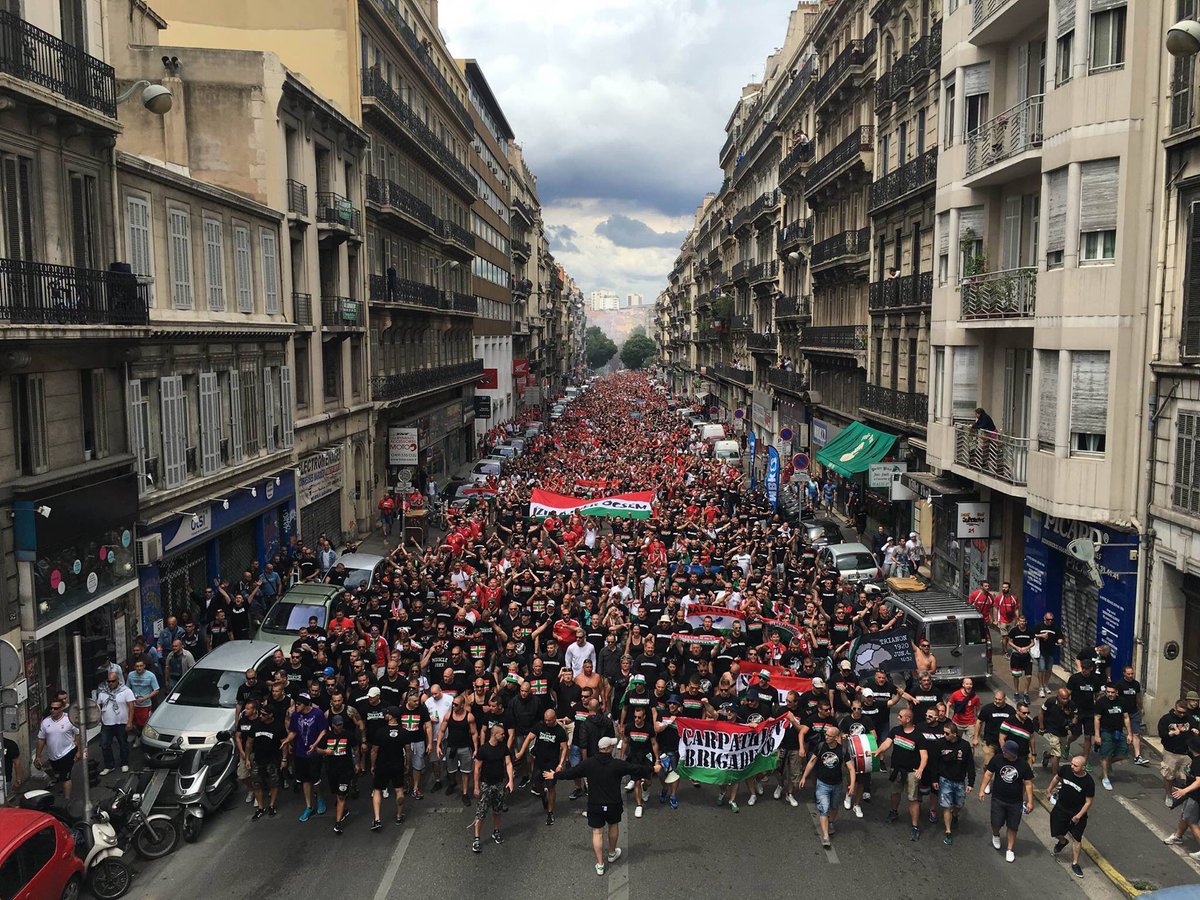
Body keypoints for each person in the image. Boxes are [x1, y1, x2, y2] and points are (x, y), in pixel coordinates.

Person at [550, 735, 659, 876]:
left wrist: (555, 776)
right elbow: (636, 768)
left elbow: (571, 773)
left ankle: (600, 864)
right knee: (613, 826)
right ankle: (612, 853)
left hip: (595, 805)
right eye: (612, 745)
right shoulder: (617, 764)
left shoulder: (588, 763)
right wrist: (653, 769)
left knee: (597, 832)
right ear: (608, 749)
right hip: (613, 804)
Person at [875, 707, 928, 840]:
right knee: (895, 793)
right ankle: (894, 812)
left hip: (911, 772)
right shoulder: (896, 730)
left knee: (913, 799)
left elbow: (924, 756)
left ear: (908, 719)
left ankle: (915, 826)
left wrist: (920, 770)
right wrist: (878, 751)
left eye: (900, 716)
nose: (898, 718)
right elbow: (887, 743)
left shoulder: (918, 736)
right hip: (896, 770)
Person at [978, 739, 1034, 863]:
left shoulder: (1023, 765)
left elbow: (1028, 784)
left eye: (1006, 751)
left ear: (1012, 753)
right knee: (996, 823)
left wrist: (1030, 801)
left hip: (1015, 802)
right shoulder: (997, 759)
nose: (1003, 752)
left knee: (1013, 826)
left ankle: (1010, 849)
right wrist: (982, 789)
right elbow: (988, 774)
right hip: (998, 798)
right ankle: (996, 834)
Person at [800, 726, 856, 849]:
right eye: (826, 735)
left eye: (829, 736)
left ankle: (830, 822)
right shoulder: (820, 747)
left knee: (834, 807)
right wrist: (804, 777)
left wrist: (852, 784)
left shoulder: (842, 751)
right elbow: (811, 762)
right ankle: (826, 836)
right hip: (822, 784)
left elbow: (851, 769)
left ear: (836, 738)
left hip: (837, 785)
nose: (826, 737)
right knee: (824, 809)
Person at [1047, 755, 1096, 878]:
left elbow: (1088, 802)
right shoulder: (1065, 769)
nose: (1072, 767)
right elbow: (1056, 778)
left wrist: (1079, 816)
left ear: (1083, 767)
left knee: (1077, 838)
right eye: (1072, 764)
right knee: (1055, 831)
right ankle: (1062, 841)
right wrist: (1049, 790)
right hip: (1061, 807)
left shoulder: (1088, 782)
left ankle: (1075, 863)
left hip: (1077, 813)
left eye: (1076, 765)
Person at [930, 719, 975, 845]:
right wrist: (934, 779)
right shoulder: (939, 744)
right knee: (947, 806)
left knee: (959, 804)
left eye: (947, 733)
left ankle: (955, 815)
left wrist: (971, 782)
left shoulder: (965, 746)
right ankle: (948, 831)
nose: (944, 735)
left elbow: (970, 765)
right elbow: (934, 763)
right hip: (945, 780)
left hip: (960, 781)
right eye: (943, 733)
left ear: (954, 734)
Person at [473, 724, 515, 854]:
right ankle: (477, 838)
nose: (504, 736)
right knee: (482, 812)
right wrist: (476, 786)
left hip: (499, 783)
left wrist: (510, 781)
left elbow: (508, 763)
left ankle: (496, 831)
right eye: (502, 734)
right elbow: (477, 769)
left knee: (497, 810)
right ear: (494, 734)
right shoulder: (483, 750)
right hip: (486, 784)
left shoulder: (503, 748)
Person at [288, 693, 329, 821]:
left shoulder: (317, 714)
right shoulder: (295, 715)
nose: (296, 706)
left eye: (298, 704)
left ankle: (320, 798)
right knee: (304, 779)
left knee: (315, 778)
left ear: (305, 704)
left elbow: (323, 730)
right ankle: (309, 806)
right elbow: (293, 731)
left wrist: (315, 744)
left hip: (314, 752)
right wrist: (287, 740)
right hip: (300, 752)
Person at [314, 714, 356, 834]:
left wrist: (357, 763)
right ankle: (344, 809)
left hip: (345, 769)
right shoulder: (327, 737)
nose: (340, 727)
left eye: (341, 724)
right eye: (337, 725)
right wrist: (325, 751)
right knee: (337, 794)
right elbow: (317, 749)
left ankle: (338, 823)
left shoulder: (348, 735)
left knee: (341, 795)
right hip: (332, 770)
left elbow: (355, 748)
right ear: (332, 726)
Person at [369, 706, 409, 831]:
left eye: (387, 713)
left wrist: (372, 765)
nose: (385, 715)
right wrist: (407, 765)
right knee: (399, 790)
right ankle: (399, 815)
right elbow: (408, 751)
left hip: (382, 765)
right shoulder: (404, 732)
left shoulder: (380, 732)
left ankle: (377, 819)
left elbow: (374, 751)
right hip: (397, 764)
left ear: (391, 716)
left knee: (377, 790)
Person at [34, 699, 81, 804]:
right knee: (58, 775)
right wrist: (38, 756)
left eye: (55, 708)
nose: (52, 710)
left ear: (61, 709)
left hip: (67, 752)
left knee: (65, 777)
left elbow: (78, 734)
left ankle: (67, 800)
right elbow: (41, 739)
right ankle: (61, 786)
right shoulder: (46, 722)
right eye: (51, 708)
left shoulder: (69, 719)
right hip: (53, 756)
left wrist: (78, 750)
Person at [530, 707, 569, 825]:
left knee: (551, 787)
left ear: (555, 719)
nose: (547, 722)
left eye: (549, 720)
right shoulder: (540, 726)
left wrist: (560, 764)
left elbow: (564, 748)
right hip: (539, 761)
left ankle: (550, 812)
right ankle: (543, 796)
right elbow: (529, 737)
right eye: (545, 720)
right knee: (537, 784)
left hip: (551, 763)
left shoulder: (560, 731)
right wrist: (522, 752)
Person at [1163, 735, 1200, 857]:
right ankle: (1178, 836)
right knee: (1185, 816)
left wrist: (1184, 791)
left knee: (1191, 821)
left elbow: (1199, 781)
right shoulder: (1194, 759)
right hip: (1192, 795)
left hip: (1195, 796)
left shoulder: (1197, 762)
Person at [92, 671, 135, 775]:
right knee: (104, 744)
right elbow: (99, 707)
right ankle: (109, 765)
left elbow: (131, 707)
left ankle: (124, 762)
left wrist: (130, 722)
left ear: (117, 680)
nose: (111, 683)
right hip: (107, 723)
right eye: (109, 681)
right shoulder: (103, 692)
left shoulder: (126, 691)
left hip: (121, 722)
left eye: (113, 681)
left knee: (123, 743)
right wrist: (99, 719)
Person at [1093, 683, 1131, 791]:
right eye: (1108, 692)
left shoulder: (1122, 702)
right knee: (1105, 755)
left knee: (1123, 753)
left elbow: (1126, 717)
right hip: (1105, 731)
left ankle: (1108, 764)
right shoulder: (1101, 702)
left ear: (1117, 692)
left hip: (1118, 731)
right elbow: (1097, 719)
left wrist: (1129, 734)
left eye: (1112, 692)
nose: (1110, 694)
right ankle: (1105, 777)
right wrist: (1097, 735)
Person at [1160, 698, 1197, 808]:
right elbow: (1162, 734)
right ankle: (1169, 795)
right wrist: (1170, 733)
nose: (1181, 715)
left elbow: (1196, 727)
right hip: (1171, 752)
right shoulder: (1166, 719)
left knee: (1188, 776)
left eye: (1183, 713)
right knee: (1169, 775)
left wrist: (1196, 731)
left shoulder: (1189, 718)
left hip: (1187, 753)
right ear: (1175, 708)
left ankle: (1187, 795)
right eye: (1179, 712)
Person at [1114, 665, 1149, 767]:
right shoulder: (1120, 685)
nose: (1130, 676)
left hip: (1133, 712)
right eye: (1128, 674)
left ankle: (1137, 756)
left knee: (1136, 733)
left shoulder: (1136, 684)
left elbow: (1138, 697)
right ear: (1124, 673)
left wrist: (1141, 707)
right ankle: (1116, 751)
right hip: (1122, 712)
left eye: (1132, 673)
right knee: (1118, 732)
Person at [1033, 612, 1064, 697]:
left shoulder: (1055, 627)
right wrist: (1041, 635)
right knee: (1041, 669)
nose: (1050, 621)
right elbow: (1032, 635)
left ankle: (1045, 684)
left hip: (1051, 651)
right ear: (1044, 618)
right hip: (1041, 651)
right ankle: (1040, 688)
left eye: (1051, 620)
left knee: (1049, 670)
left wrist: (1060, 641)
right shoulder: (1039, 626)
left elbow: (1060, 636)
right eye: (1048, 619)